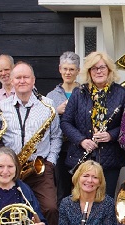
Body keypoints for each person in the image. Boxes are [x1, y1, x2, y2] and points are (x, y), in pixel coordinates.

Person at [0, 62, 63, 225]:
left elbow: (56, 136)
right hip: (11, 172)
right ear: (11, 81)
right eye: (18, 78)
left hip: (40, 168)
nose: (22, 81)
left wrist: (50, 161)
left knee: (51, 208)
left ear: (33, 80)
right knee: (13, 213)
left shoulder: (48, 105)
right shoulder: (1, 106)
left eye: (26, 77)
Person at [61, 51, 125, 199]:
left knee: (106, 201)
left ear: (109, 70)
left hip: (109, 158)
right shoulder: (78, 93)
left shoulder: (121, 93)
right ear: (89, 71)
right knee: (80, 199)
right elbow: (66, 122)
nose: (99, 71)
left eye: (102, 67)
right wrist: (81, 140)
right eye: (94, 68)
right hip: (81, 156)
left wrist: (111, 135)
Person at [48, 52, 81, 202]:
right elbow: (45, 123)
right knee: (62, 190)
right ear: (60, 69)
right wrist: (56, 111)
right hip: (61, 149)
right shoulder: (51, 96)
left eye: (72, 69)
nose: (68, 72)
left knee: (80, 189)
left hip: (80, 147)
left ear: (78, 71)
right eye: (65, 69)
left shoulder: (84, 92)